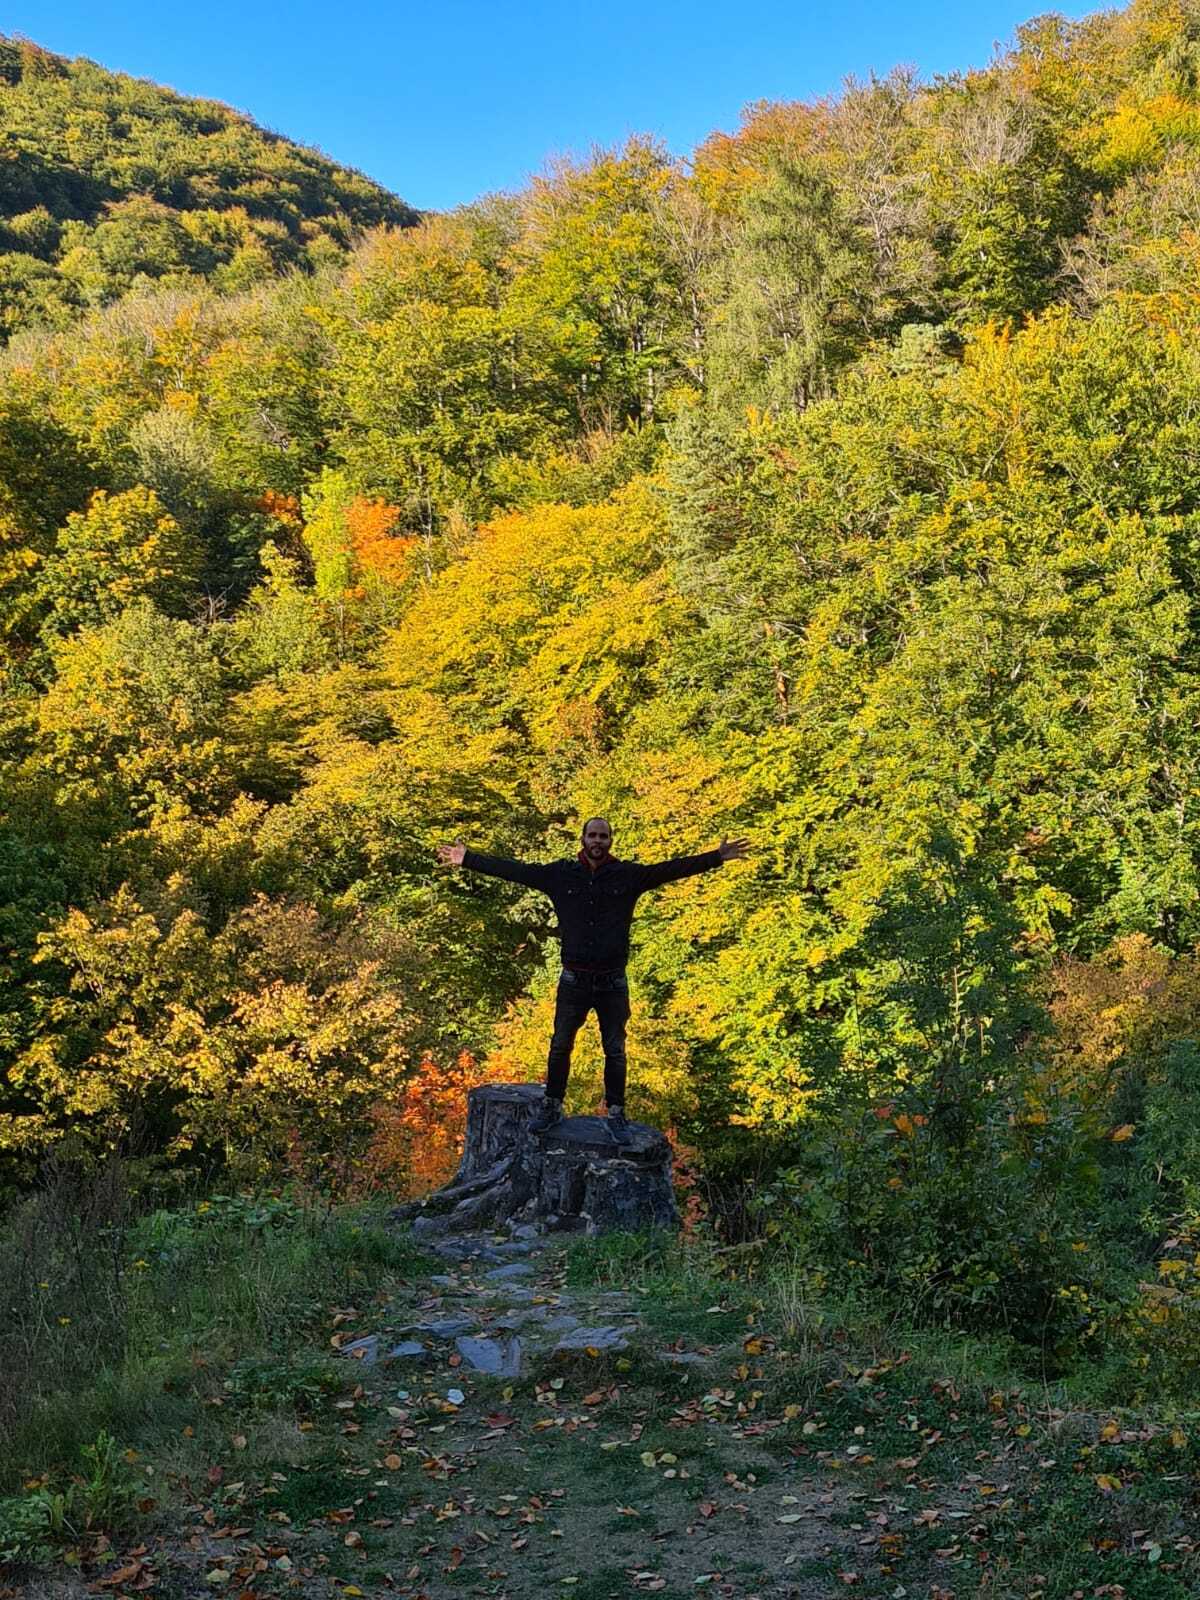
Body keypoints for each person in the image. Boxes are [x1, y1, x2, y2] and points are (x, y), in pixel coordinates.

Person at [437, 818, 749, 1141]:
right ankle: (552, 1105)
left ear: (611, 840)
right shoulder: (560, 876)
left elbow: (670, 869)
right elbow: (517, 871)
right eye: (592, 835)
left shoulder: (627, 876)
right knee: (560, 1045)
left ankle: (616, 1113)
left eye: (603, 836)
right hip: (574, 981)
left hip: (612, 982)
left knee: (614, 1049)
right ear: (583, 838)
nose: (597, 841)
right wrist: (468, 859)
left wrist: (716, 857)